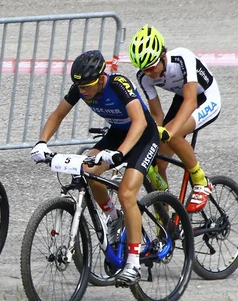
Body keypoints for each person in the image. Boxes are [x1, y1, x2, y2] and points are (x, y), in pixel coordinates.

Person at [30, 50, 160, 286]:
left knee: (127, 193)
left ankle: (133, 263)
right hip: (118, 134)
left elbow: (140, 122)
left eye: (87, 86)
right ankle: (113, 216)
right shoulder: (81, 88)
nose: (82, 91)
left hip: (143, 136)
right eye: (78, 86)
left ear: (101, 79)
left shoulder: (119, 84)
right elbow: (57, 115)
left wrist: (120, 153)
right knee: (87, 173)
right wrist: (41, 142)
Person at [129, 24, 220, 212]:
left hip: (204, 98)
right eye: (144, 70)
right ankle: (165, 223)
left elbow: (191, 101)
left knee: (174, 134)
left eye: (152, 67)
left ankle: (201, 181)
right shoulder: (144, 77)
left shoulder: (181, 58)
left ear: (163, 56)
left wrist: (168, 131)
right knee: (158, 161)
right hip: (182, 99)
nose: (150, 74)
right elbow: (157, 115)